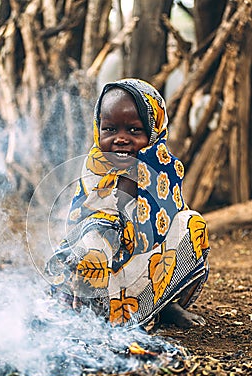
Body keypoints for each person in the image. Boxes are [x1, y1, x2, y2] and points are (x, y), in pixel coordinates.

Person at [45, 78, 210, 330]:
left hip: (145, 266)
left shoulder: (161, 167)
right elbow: (92, 225)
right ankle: (92, 315)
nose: (120, 139)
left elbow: (166, 224)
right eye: (110, 129)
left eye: (134, 130)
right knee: (94, 238)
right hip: (100, 276)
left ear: (154, 131)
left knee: (191, 224)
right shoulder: (96, 166)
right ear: (97, 128)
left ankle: (164, 305)